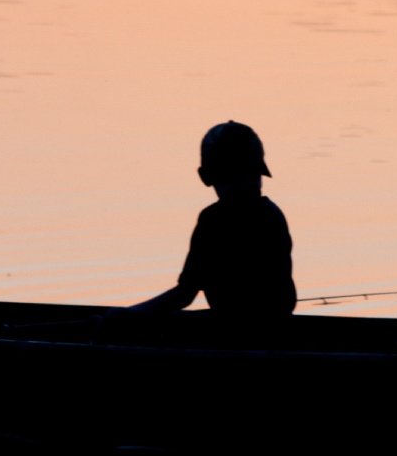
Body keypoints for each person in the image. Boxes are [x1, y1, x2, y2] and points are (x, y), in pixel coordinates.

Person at [120, 121, 297, 323]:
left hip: (236, 334)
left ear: (205, 176)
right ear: (259, 171)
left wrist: (127, 315)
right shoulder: (273, 214)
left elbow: (185, 294)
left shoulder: (214, 220)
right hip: (279, 329)